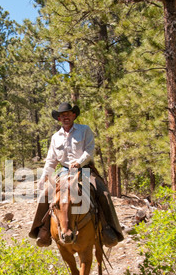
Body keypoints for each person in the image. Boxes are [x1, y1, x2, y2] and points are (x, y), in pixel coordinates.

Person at [29, 102, 124, 247]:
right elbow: (51, 159)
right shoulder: (56, 137)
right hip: (64, 171)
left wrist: (79, 162)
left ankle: (109, 229)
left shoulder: (84, 130)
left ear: (73, 115)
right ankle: (43, 230)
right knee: (45, 195)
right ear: (59, 119)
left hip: (84, 169)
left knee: (103, 193)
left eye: (68, 114)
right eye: (62, 115)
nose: (65, 117)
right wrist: (45, 176)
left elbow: (89, 150)